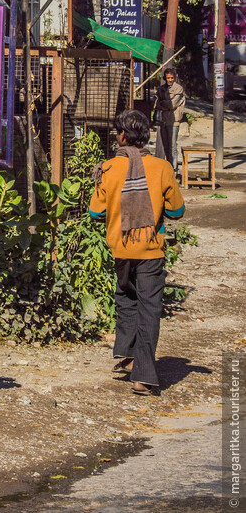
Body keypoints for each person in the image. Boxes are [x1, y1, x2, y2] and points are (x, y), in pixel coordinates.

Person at [89, 109, 185, 396]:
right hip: (151, 250)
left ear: (121, 135)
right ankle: (142, 375)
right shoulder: (162, 167)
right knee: (149, 308)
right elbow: (177, 210)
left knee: (126, 299)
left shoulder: (108, 168)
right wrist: (153, 206)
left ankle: (126, 355)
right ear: (144, 136)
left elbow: (95, 212)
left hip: (121, 248)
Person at [154, 68, 185, 176]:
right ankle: (168, 167)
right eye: (168, 78)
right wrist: (164, 104)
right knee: (166, 146)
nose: (170, 80)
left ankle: (174, 170)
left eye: (171, 78)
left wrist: (164, 103)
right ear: (165, 78)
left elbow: (173, 104)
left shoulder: (178, 89)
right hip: (164, 120)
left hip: (174, 121)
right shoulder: (161, 89)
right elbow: (157, 104)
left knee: (172, 146)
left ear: (174, 78)